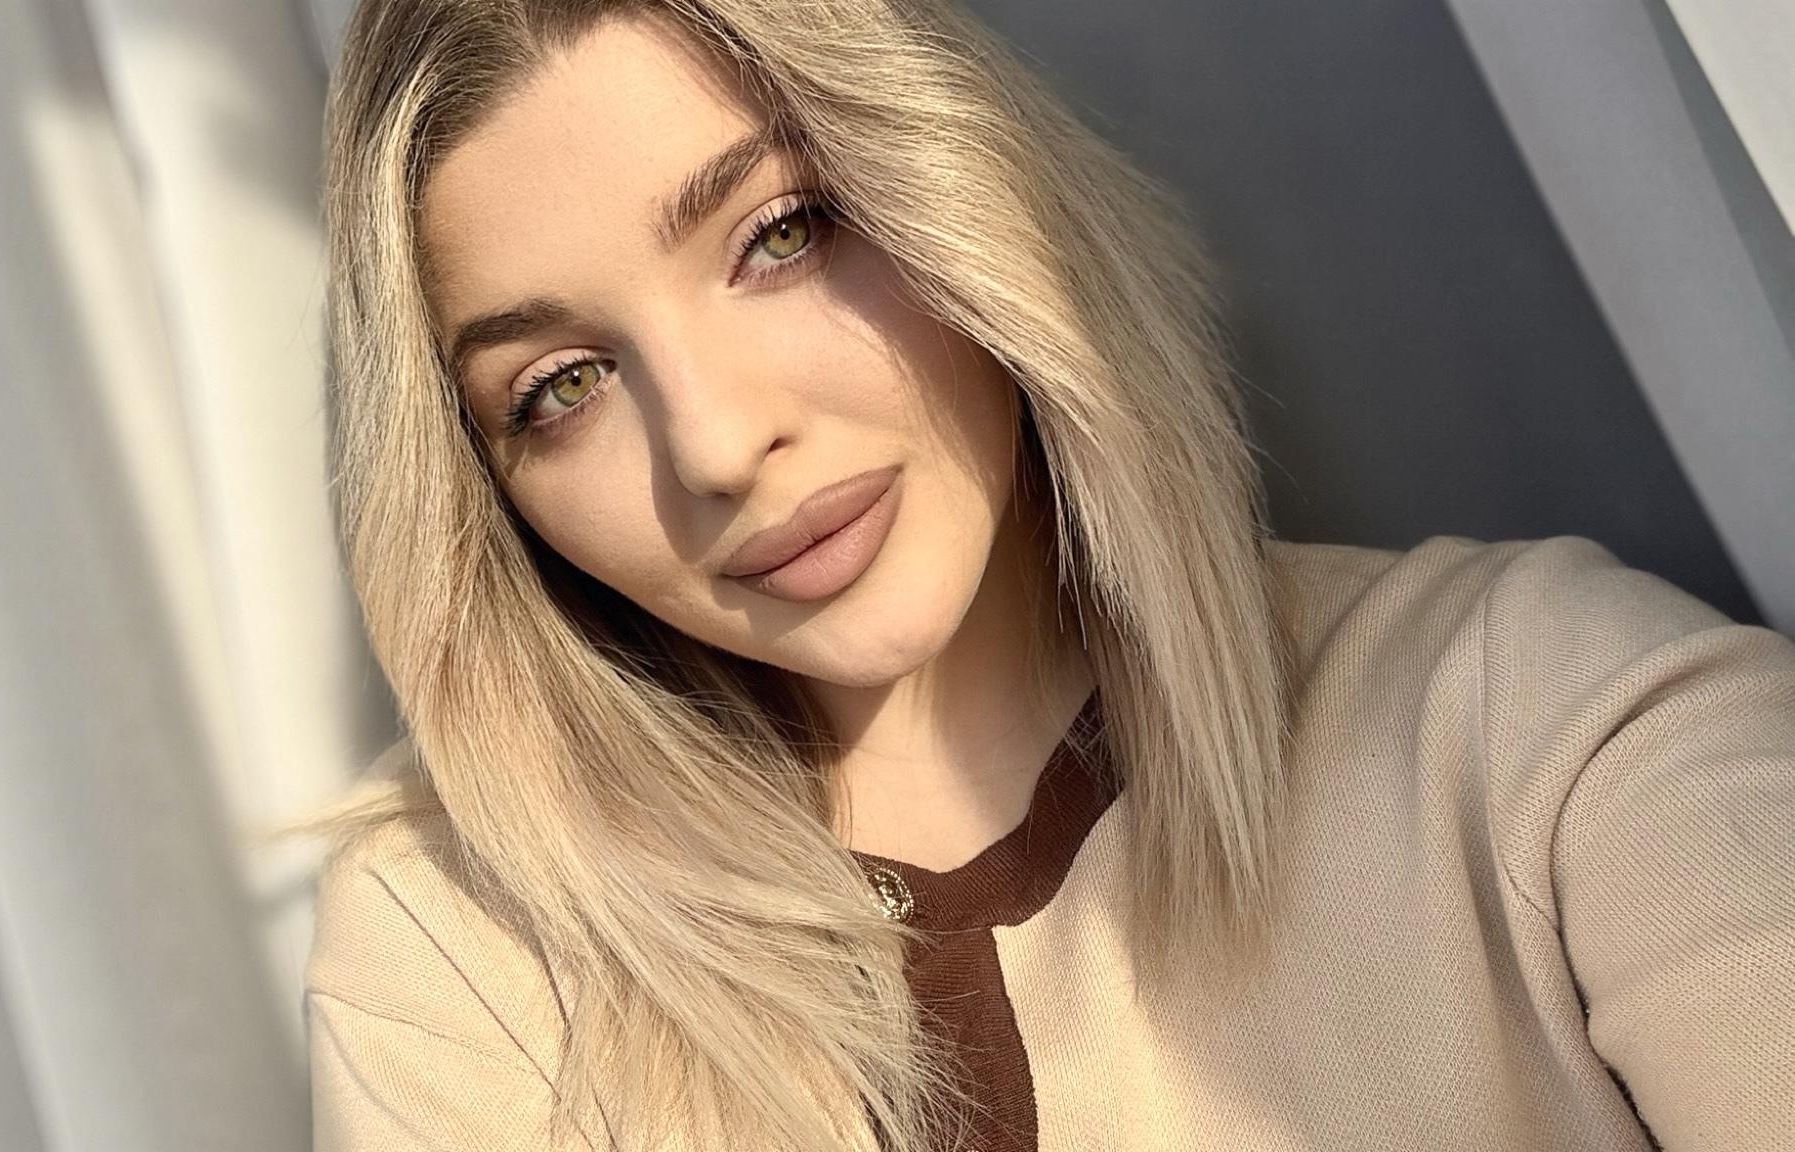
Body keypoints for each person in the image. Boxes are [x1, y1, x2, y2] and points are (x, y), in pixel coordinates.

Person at [291, 1, 1795, 1149]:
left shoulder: (1561, 738)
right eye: (560, 386)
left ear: (960, 186)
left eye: (782, 233)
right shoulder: (472, 954)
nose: (720, 444)